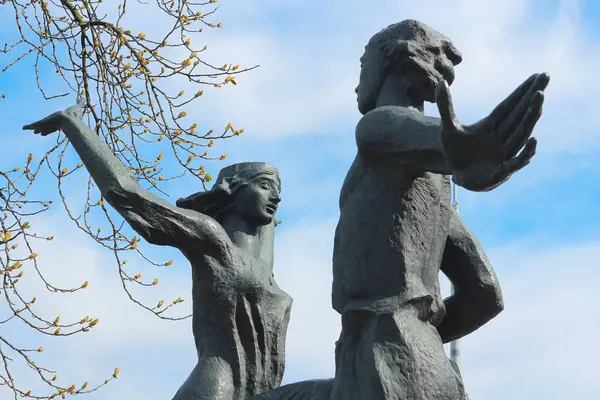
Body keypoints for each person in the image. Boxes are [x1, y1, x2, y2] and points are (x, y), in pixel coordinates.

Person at [330, 20, 550, 399]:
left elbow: (432, 141)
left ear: (390, 61)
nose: (357, 82)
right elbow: (484, 295)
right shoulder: (437, 188)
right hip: (431, 364)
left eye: (363, 65)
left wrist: (461, 148)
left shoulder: (375, 126)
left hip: (380, 348)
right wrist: (425, 335)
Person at [23, 105, 292, 400]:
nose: (276, 197)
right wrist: (73, 125)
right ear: (233, 191)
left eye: (277, 189)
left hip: (262, 390)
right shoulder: (212, 241)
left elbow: (265, 231)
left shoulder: (263, 264)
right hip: (217, 388)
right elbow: (127, 194)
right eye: (265, 186)